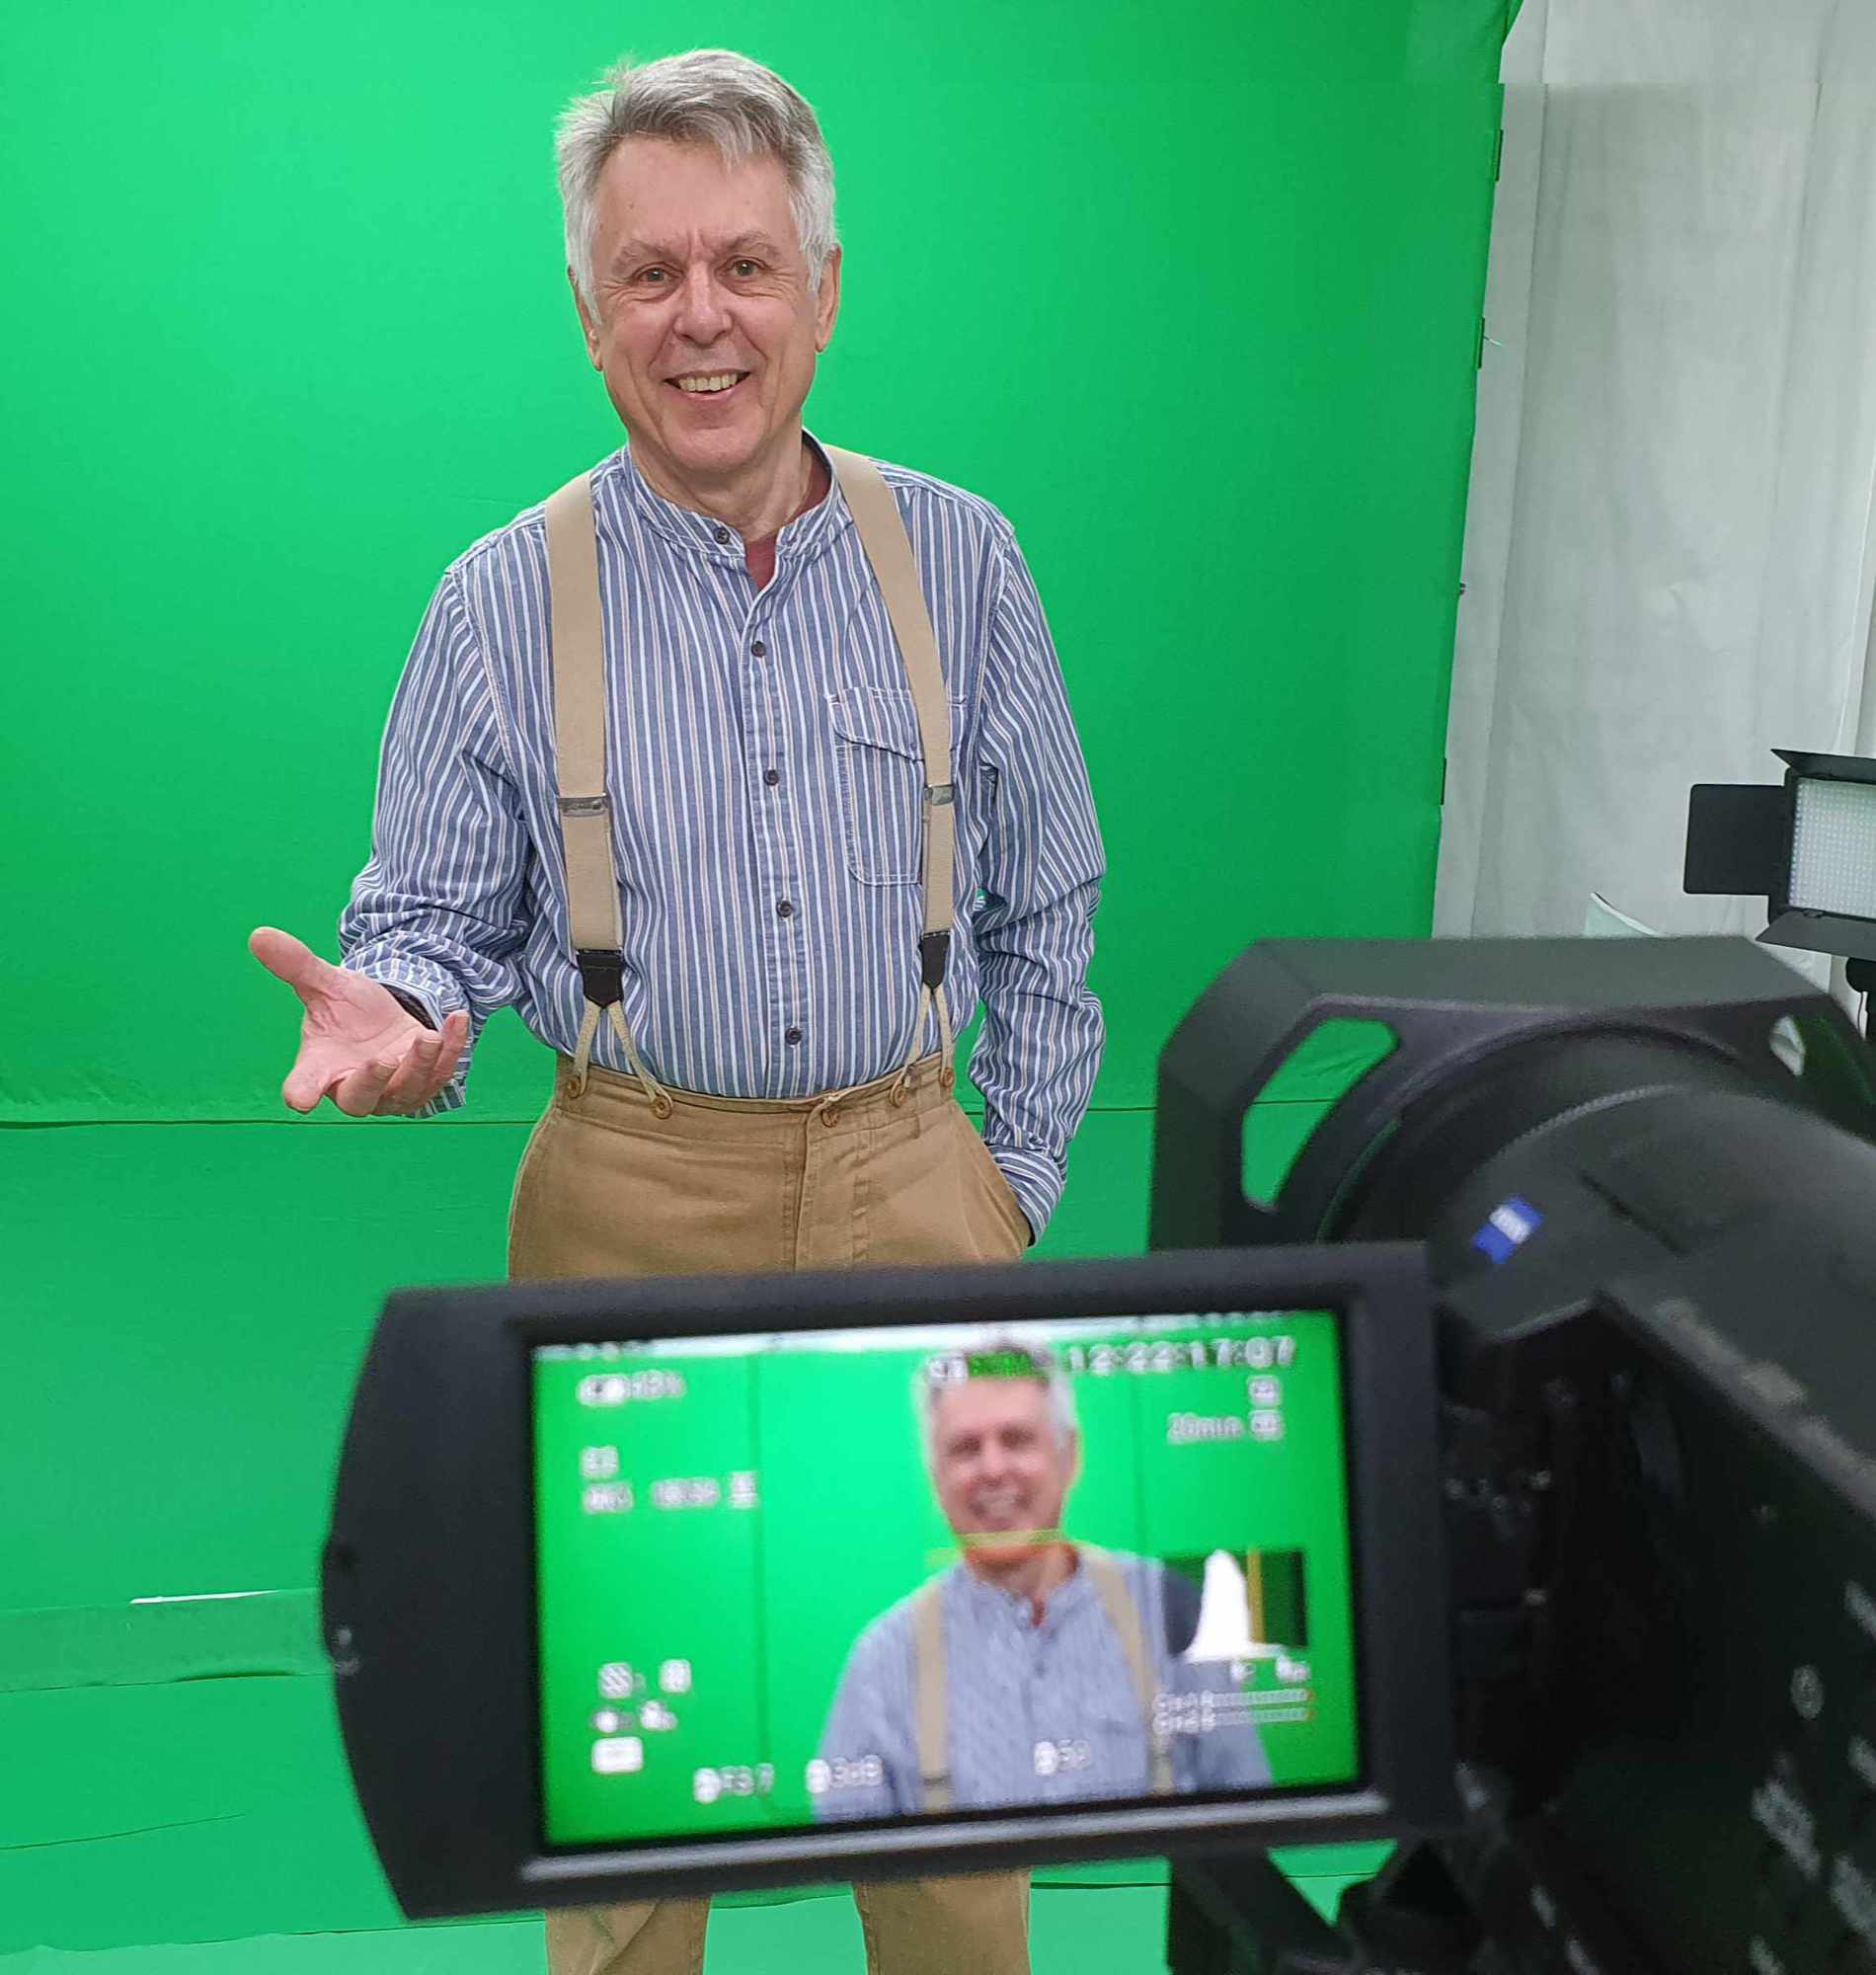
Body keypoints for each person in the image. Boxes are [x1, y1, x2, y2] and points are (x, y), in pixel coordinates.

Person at [249, 44, 1103, 1975]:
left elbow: (1050, 894)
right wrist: (393, 1012)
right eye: (649, 275)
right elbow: (423, 917)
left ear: (820, 292)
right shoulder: (493, 601)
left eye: (742, 264)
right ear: (586, 312)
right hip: (623, 1208)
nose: (698, 317)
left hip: (917, 1195)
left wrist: (1007, 1189)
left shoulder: (960, 558)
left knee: (962, 1758)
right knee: (635, 1777)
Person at [814, 1342, 1270, 1818]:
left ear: (1068, 1455)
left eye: (1016, 1439)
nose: (992, 1469)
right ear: (935, 1475)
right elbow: (842, 1862)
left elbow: (1253, 1811)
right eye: (966, 1448)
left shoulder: (1169, 1606)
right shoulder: (881, 1661)